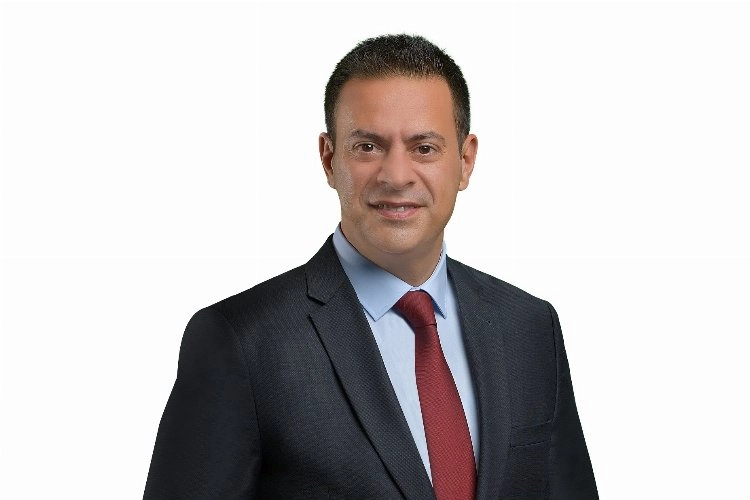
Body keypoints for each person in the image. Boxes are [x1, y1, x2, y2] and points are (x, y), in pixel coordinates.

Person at [143, 34, 598, 499]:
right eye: (368, 147)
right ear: (329, 159)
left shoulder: (529, 327)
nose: (396, 176)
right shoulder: (242, 341)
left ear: (465, 161)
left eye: (424, 148)